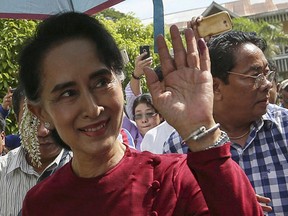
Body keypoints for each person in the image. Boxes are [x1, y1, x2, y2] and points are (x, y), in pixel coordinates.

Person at [18, 12, 263, 215]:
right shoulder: (40, 204)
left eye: (101, 82)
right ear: (41, 112)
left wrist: (202, 130)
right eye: (68, 94)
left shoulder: (174, 179)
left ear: (120, 79)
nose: (93, 108)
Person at [163, 30, 287, 215]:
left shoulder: (284, 127)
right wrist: (228, 202)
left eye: (267, 74)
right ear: (216, 87)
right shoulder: (179, 147)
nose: (267, 84)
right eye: (255, 76)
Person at [0, 85, 72, 216]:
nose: (43, 131)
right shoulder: (2, 171)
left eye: (49, 118)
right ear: (17, 121)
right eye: (31, 122)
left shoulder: (87, 170)